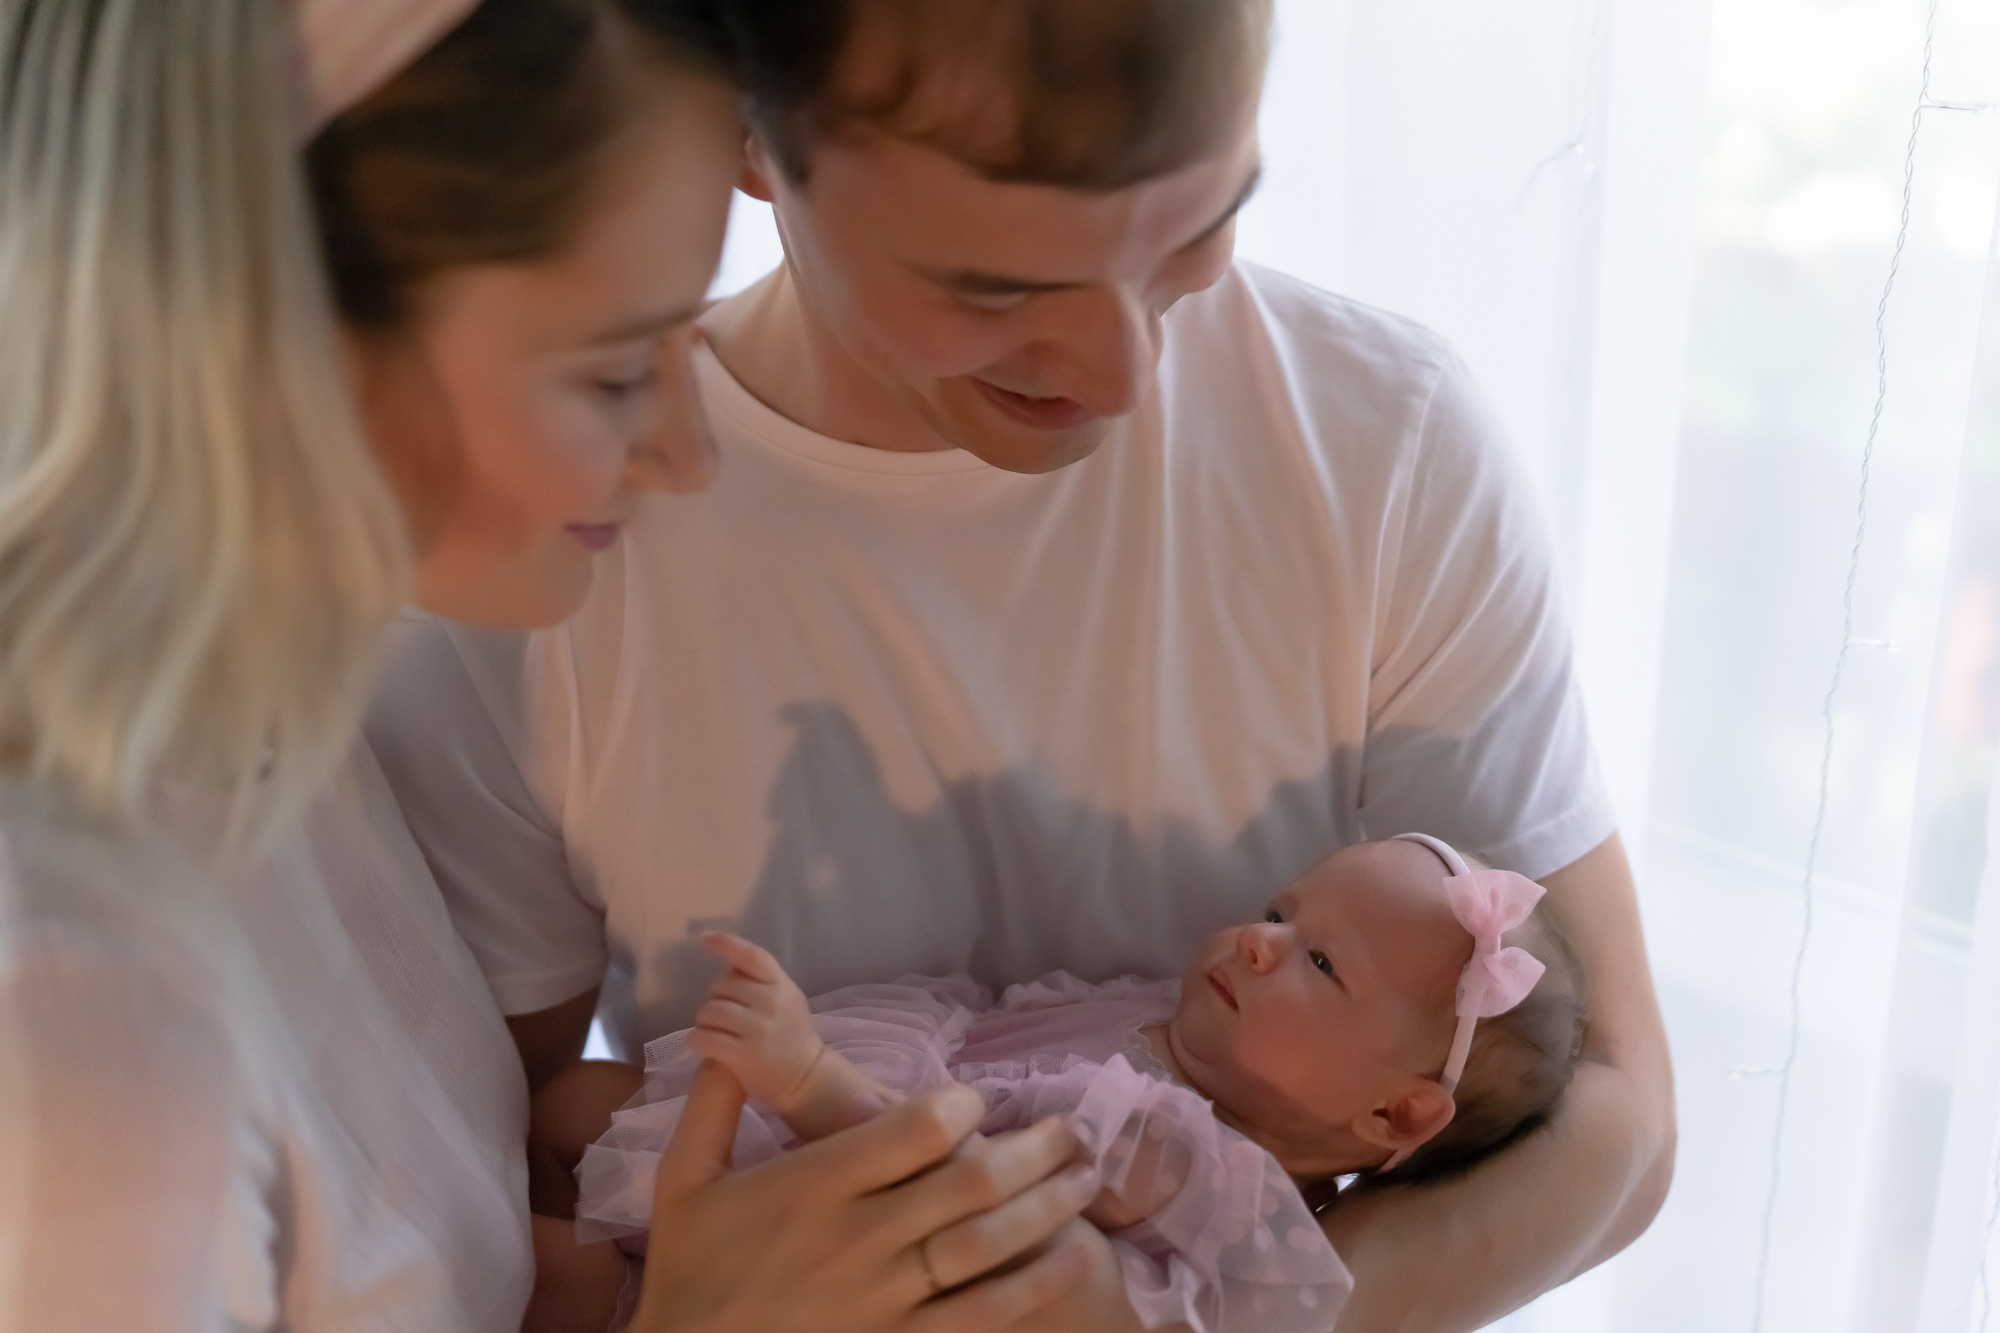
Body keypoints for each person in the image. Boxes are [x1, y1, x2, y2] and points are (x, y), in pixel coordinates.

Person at [369, 0, 1678, 1326]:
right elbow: (454, 1172)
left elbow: (1614, 1113)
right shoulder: (533, 545)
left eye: (1197, 222)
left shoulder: (1383, 442)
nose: (1122, 371)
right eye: (993, 283)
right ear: (750, 146)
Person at [0, 1, 1094, 1329]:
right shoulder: (72, 1016)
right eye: (618, 370)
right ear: (268, 333)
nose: (691, 457)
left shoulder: (270, 735)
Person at [532, 835, 1583, 1333]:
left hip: (839, 1238)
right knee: (570, 1104)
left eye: (1318, 964)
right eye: (1281, 912)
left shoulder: (1195, 1165)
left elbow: (962, 1194)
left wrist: (807, 1076)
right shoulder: (1162, 1019)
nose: (1262, 943)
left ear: (1393, 1112)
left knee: (542, 1274)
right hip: (807, 1151)